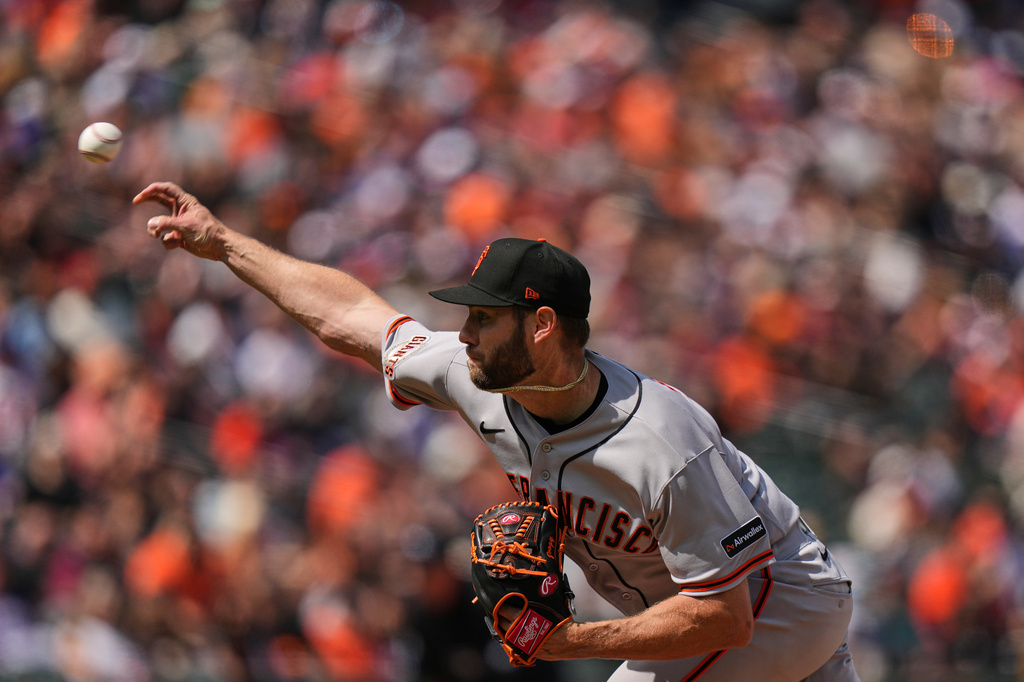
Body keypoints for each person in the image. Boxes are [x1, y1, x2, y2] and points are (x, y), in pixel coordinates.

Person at [135, 181, 860, 681]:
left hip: (777, 607)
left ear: (542, 326)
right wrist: (226, 242)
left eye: (485, 316)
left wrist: (568, 643)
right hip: (726, 616)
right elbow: (355, 321)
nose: (465, 331)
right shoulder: (477, 377)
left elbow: (724, 617)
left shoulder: (662, 441)